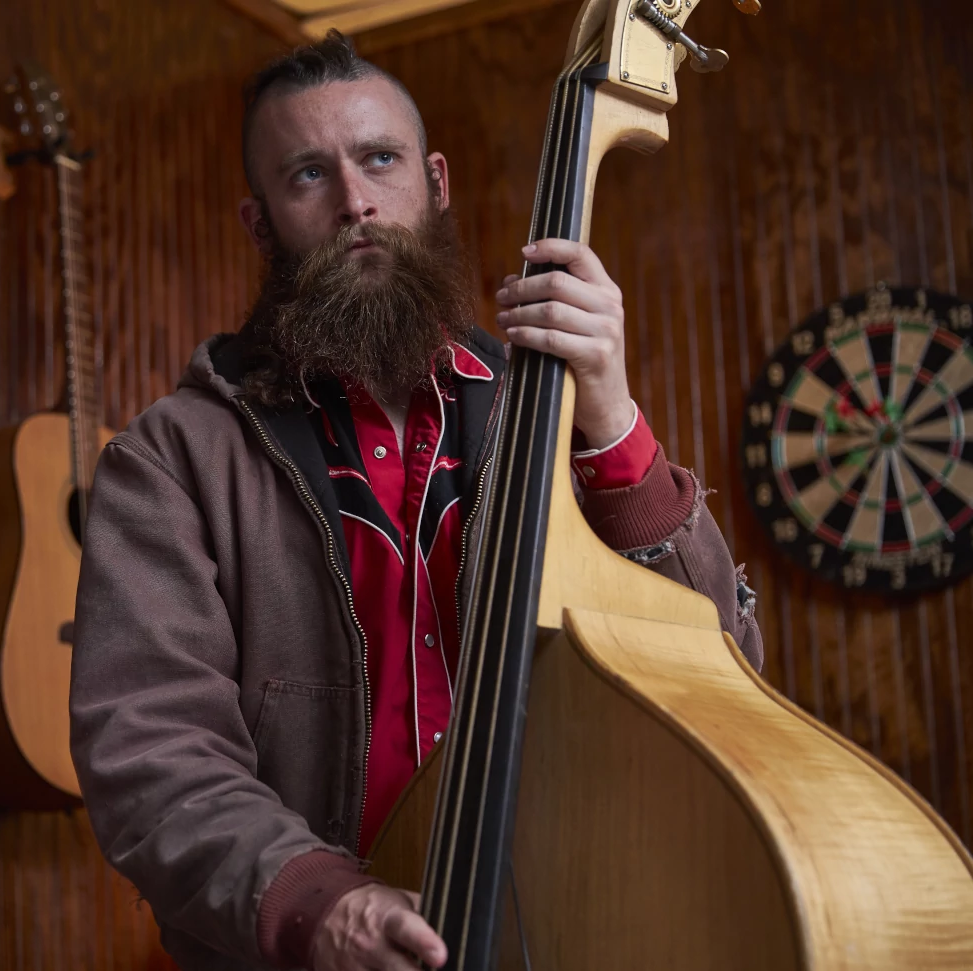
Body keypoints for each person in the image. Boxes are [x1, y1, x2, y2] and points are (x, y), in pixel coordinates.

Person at [69, 30, 761, 971]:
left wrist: (611, 422)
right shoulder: (172, 460)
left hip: (565, 929)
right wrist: (319, 902)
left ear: (434, 181)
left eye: (379, 159)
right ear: (262, 222)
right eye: (309, 175)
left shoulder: (554, 410)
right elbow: (149, 752)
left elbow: (721, 678)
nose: (356, 201)